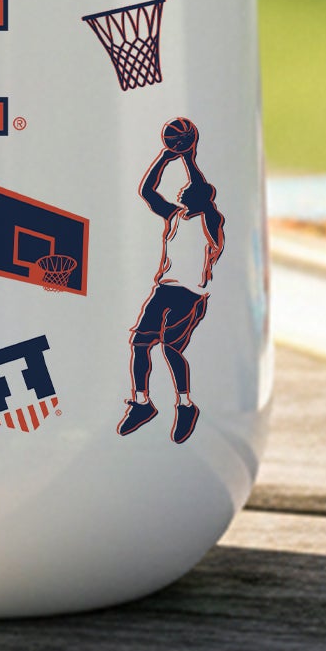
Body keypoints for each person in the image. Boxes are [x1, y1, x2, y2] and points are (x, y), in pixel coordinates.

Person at [120, 134, 225, 444]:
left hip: (190, 295)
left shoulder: (211, 219)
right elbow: (147, 192)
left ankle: (185, 405)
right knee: (140, 343)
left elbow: (199, 186)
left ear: (201, 197)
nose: (182, 189)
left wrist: (189, 157)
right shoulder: (176, 216)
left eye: (188, 189)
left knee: (170, 347)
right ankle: (142, 403)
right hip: (164, 290)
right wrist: (166, 157)